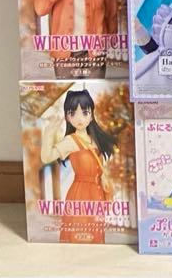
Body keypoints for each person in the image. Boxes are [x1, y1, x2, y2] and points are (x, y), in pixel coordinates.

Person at [40, 89, 117, 244]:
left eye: (85, 112)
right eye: (73, 113)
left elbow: (99, 165)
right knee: (80, 234)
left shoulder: (94, 139)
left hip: (97, 193)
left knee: (95, 234)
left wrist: (104, 176)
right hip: (80, 194)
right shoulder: (70, 141)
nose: (79, 118)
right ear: (67, 117)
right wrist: (48, 134)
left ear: (91, 114)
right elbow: (46, 157)